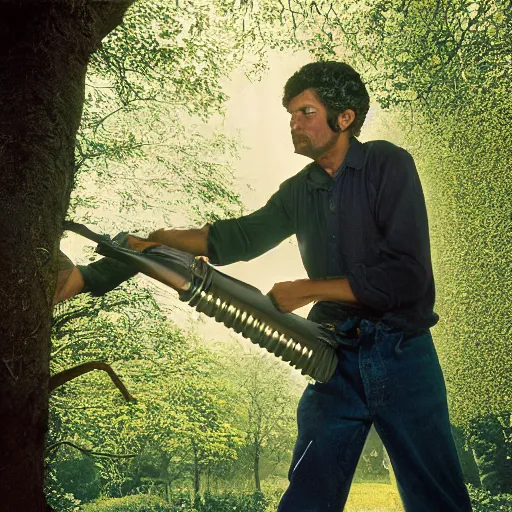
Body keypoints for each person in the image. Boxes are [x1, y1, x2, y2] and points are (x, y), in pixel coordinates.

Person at [56, 61, 472, 511]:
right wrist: (155, 239)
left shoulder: (388, 165)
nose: (294, 123)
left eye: (305, 112)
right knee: (307, 496)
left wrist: (310, 289)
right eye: (291, 114)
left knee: (437, 498)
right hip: (335, 359)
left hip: (402, 355)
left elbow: (408, 278)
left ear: (344, 117)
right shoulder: (299, 190)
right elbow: (237, 238)